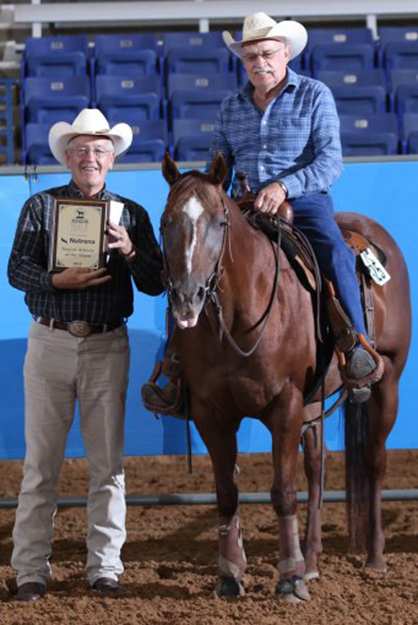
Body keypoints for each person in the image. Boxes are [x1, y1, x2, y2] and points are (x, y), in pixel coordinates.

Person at [142, 12, 381, 414]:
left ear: (285, 52)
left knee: (334, 251)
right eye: (250, 56)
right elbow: (220, 164)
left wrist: (285, 185)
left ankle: (355, 344)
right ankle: (176, 365)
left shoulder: (314, 95)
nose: (259, 63)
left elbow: (330, 162)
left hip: (303, 202)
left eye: (267, 53)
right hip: (241, 206)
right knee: (192, 262)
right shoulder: (230, 107)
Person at [7, 108, 164, 601]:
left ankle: (105, 567)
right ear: (68, 157)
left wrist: (132, 250)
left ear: (111, 159)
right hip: (50, 339)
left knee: (107, 464)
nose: (90, 158)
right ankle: (30, 569)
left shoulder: (133, 216)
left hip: (105, 343)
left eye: (99, 150)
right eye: (80, 150)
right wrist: (57, 279)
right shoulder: (40, 206)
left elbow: (157, 283)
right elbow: (16, 270)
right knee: (40, 465)